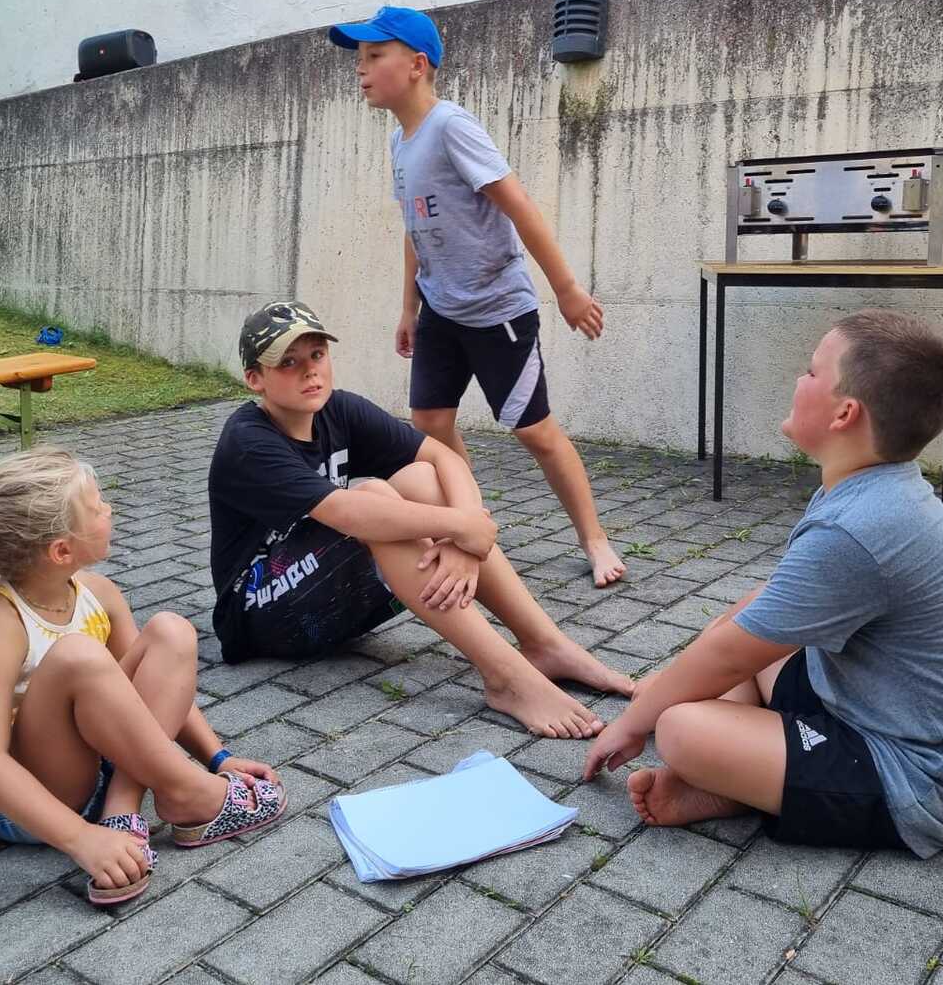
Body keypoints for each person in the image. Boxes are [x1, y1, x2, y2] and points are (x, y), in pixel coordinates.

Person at [583, 310, 943, 858]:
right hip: (867, 702)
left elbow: (729, 658)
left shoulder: (859, 526)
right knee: (738, 626)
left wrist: (633, 722)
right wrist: (675, 684)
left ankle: (741, 782)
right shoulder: (872, 490)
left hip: (920, 779)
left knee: (678, 728)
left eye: (812, 371)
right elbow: (754, 622)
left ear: (844, 413)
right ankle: (745, 780)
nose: (798, 379)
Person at [207, 300, 635, 739]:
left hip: (322, 590)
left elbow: (443, 455)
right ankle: (506, 678)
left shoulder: (338, 410)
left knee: (421, 477)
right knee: (374, 499)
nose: (309, 371)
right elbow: (346, 512)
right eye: (288, 362)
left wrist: (467, 534)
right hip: (258, 613)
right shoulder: (248, 440)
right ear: (255, 379)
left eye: (317, 354)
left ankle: (545, 644)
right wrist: (460, 527)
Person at [329, 6, 626, 588]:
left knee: (534, 431)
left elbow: (518, 205)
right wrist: (410, 307)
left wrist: (567, 290)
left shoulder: (451, 127)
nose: (360, 69)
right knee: (429, 423)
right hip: (441, 309)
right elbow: (415, 227)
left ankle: (595, 539)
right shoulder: (399, 141)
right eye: (359, 58)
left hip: (497, 310)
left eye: (374, 56)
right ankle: (474, 522)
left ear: (417, 65)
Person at [0, 446, 285, 906]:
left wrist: (218, 757)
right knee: (78, 656)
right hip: (12, 805)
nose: (109, 509)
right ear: (61, 550)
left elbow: (153, 692)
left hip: (88, 766)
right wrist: (82, 839)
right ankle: (185, 790)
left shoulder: (97, 592)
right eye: (97, 506)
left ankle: (125, 809)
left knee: (171, 632)